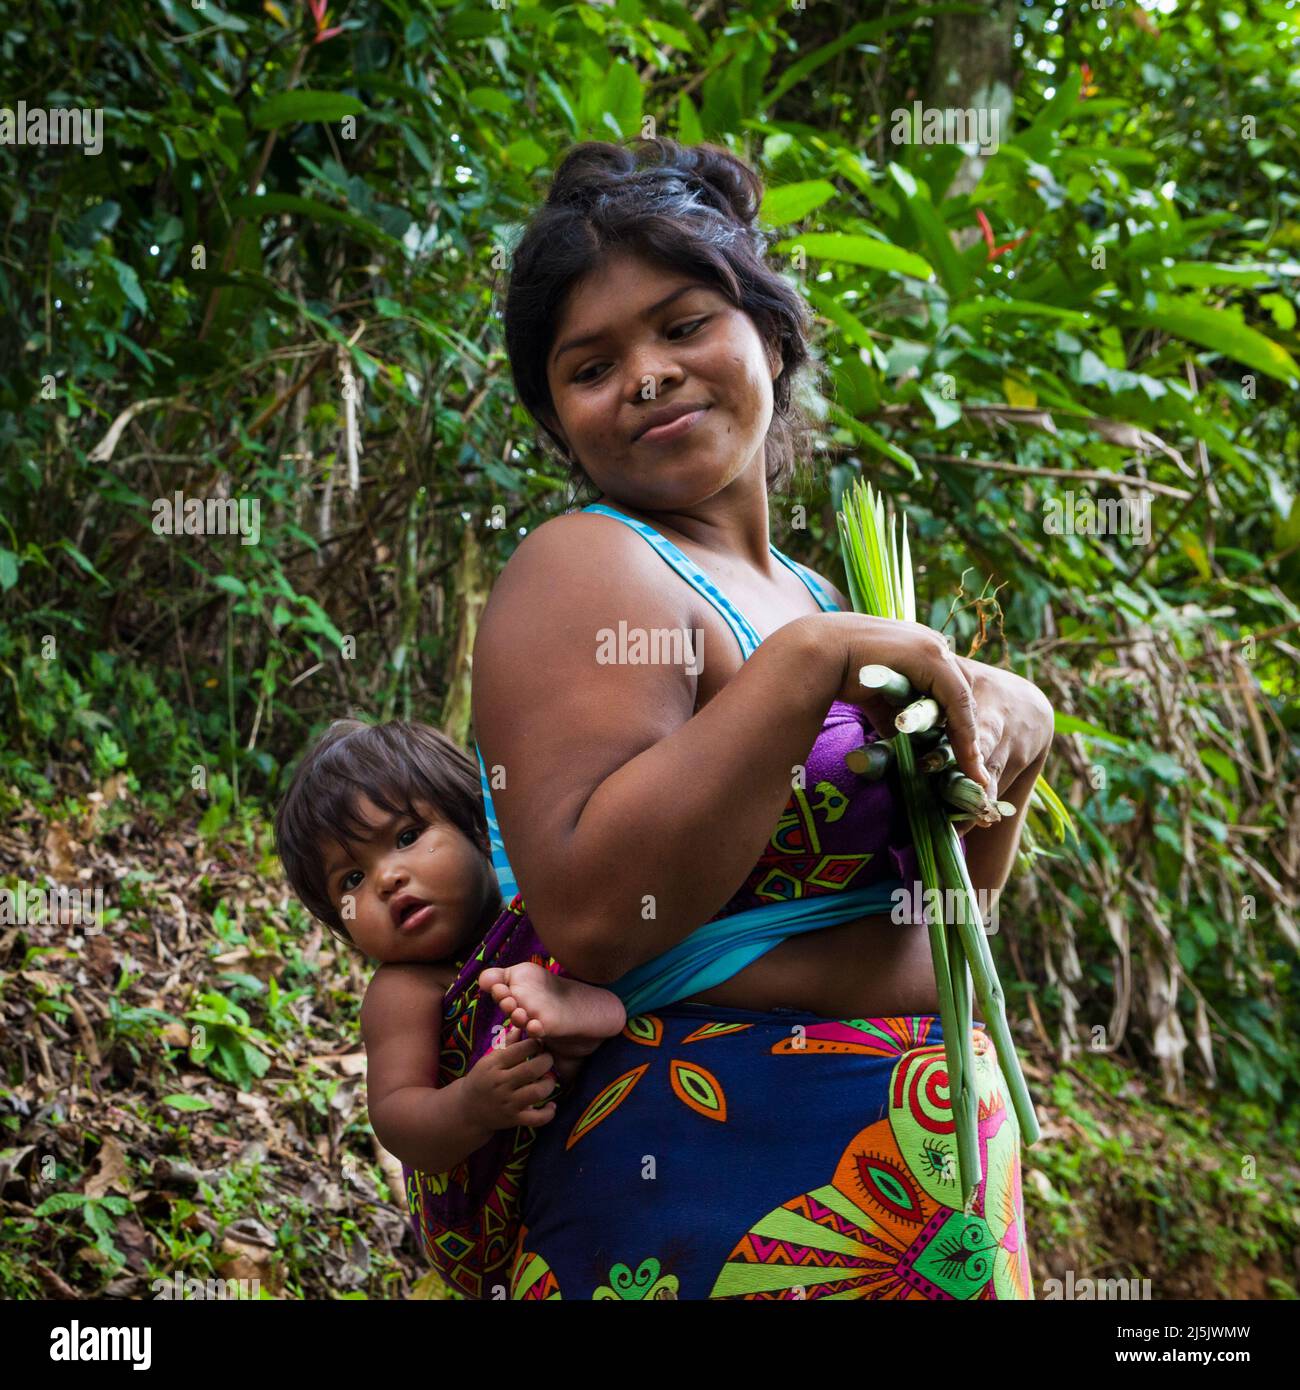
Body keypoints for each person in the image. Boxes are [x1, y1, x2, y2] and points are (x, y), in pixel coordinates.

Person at [470, 136, 1055, 1300]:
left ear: (770, 336)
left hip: (916, 1180)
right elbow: (594, 915)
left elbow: (946, 937)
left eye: (683, 325)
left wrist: (1013, 742)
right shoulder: (590, 566)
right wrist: (804, 669)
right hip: (708, 1187)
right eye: (590, 365)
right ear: (557, 418)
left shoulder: (823, 597)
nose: (644, 374)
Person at [271, 719, 628, 1180]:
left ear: (476, 827)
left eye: (406, 837)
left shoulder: (540, 907)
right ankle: (579, 1022)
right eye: (352, 879)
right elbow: (397, 1118)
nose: (386, 878)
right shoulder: (404, 990)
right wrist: (470, 1106)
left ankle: (587, 1019)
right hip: (487, 1207)